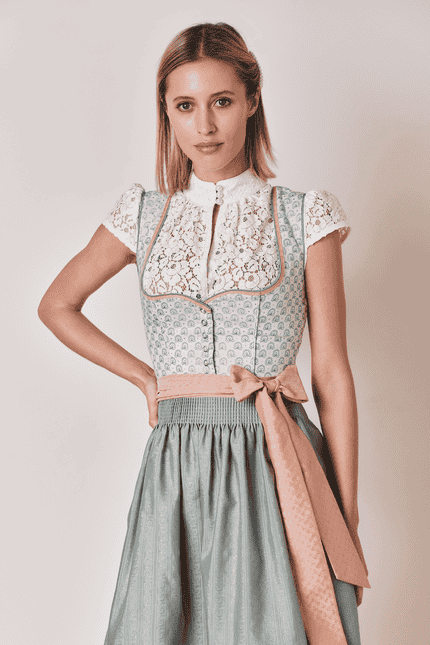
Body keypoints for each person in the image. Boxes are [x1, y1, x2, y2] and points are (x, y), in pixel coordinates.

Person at [38, 21, 371, 645]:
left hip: (275, 460)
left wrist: (347, 515)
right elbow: (58, 305)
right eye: (185, 107)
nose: (205, 126)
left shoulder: (305, 214)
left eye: (221, 101)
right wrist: (145, 379)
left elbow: (330, 372)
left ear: (252, 100)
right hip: (176, 461)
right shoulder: (142, 214)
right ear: (166, 114)